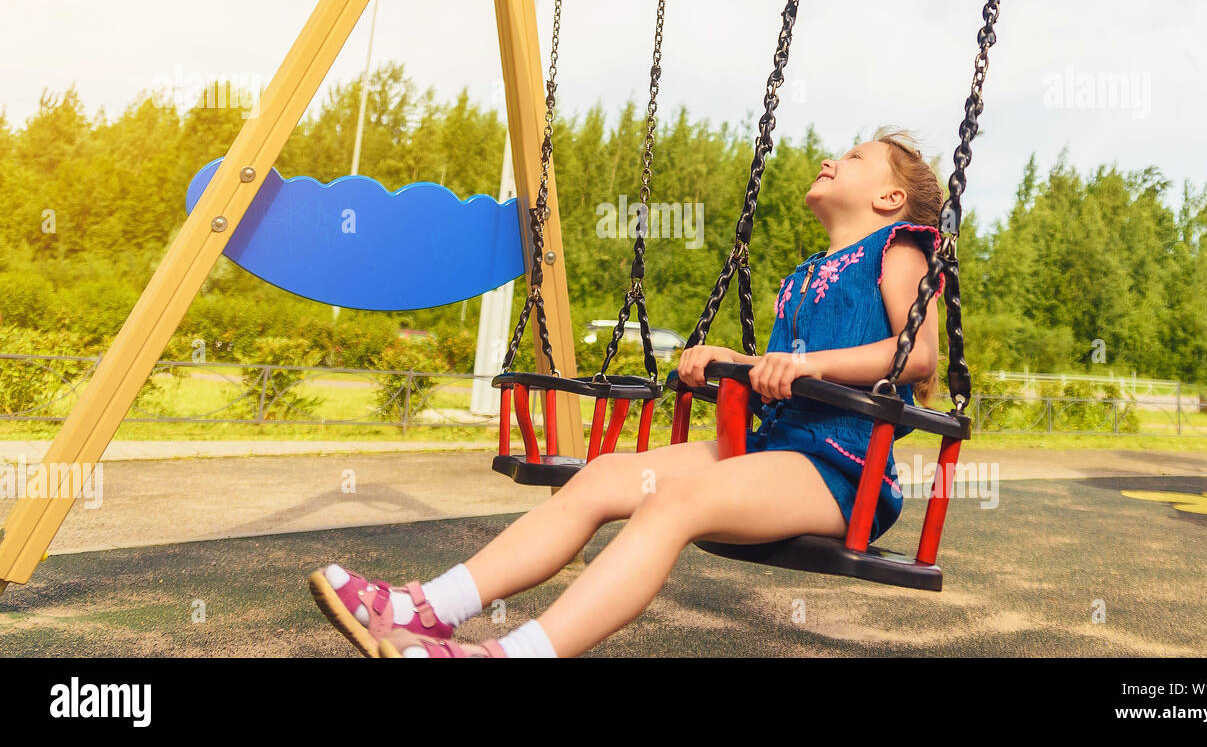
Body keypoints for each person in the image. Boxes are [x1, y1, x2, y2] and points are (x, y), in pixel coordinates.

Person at [308, 127, 943, 658]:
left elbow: (918, 353)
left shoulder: (900, 250)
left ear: (890, 197)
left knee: (671, 501)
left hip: (840, 470)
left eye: (855, 157)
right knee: (605, 476)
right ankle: (426, 609)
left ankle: (514, 654)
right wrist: (736, 363)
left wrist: (798, 368)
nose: (832, 159)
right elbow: (784, 372)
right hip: (767, 447)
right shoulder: (804, 274)